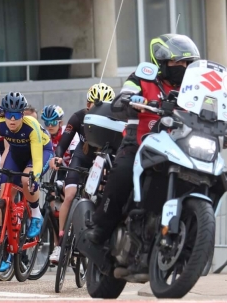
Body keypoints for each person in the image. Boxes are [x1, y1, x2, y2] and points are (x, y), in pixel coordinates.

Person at [82, 34, 200, 258]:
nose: (182, 67)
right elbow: (121, 99)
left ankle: (192, 240)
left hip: (179, 149)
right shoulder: (143, 77)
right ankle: (100, 228)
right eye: (177, 62)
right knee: (123, 173)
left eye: (186, 63)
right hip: (139, 143)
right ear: (162, 62)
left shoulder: (193, 87)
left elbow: (208, 108)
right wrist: (131, 101)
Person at [49, 83, 115, 264]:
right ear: (87, 104)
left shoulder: (116, 119)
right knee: (69, 196)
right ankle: (60, 245)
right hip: (82, 157)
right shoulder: (78, 117)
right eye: (92, 104)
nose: (96, 109)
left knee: (98, 198)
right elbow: (63, 142)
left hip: (100, 160)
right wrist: (58, 157)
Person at [0, 92, 52, 271]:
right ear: (4, 115)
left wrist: (35, 177)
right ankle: (1, 248)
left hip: (40, 152)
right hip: (17, 155)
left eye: (17, 115)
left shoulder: (32, 127)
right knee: (3, 196)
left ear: (23, 115)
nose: (13, 120)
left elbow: (37, 159)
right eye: (9, 115)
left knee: (26, 179)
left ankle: (36, 215)